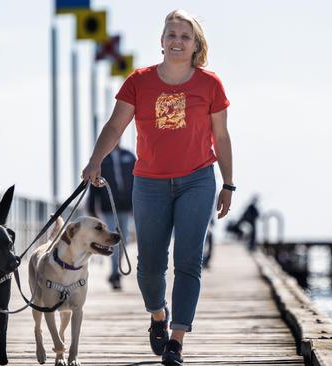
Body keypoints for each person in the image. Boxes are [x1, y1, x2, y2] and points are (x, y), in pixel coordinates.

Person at [81, 9, 234, 366]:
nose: (177, 41)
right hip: (148, 183)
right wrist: (95, 161)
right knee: (150, 264)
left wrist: (229, 183)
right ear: (161, 41)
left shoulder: (210, 85)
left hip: (197, 180)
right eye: (172, 34)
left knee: (188, 261)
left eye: (185, 36)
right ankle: (158, 315)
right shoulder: (139, 81)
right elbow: (116, 126)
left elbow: (222, 136)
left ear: (195, 44)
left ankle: (177, 340)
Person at [86, 144, 136, 290]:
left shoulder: (129, 156)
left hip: (126, 207)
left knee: (124, 240)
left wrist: (138, 203)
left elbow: (137, 179)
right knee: (112, 240)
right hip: (108, 208)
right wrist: (91, 207)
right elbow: (94, 184)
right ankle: (115, 273)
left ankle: (116, 271)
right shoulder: (101, 159)